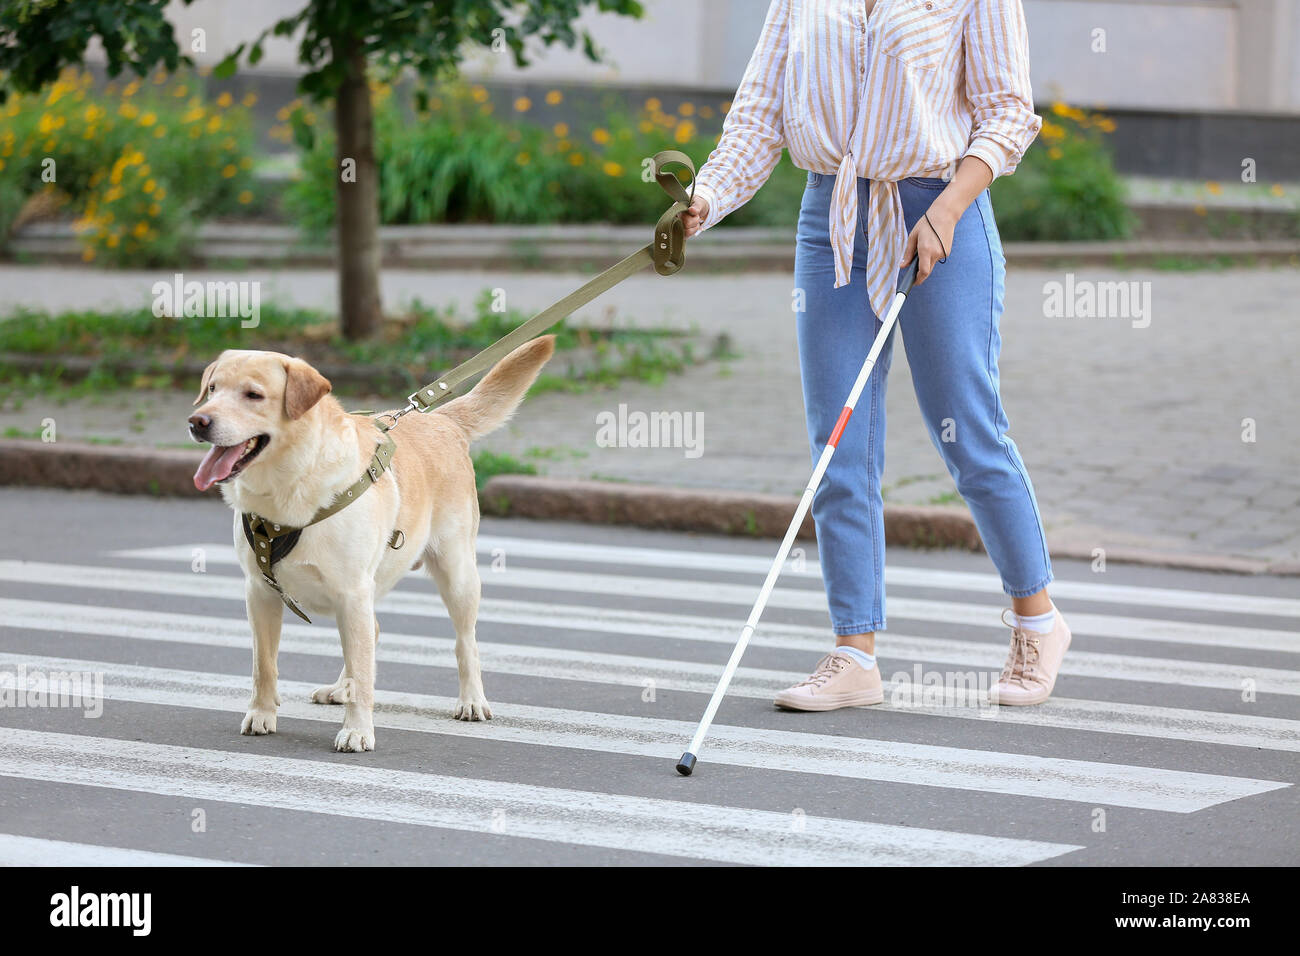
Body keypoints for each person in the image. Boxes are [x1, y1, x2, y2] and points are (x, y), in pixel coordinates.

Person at [681, 0, 1069, 710]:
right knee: (838, 444)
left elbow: (1008, 112)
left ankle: (1036, 622)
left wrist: (947, 210)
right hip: (831, 219)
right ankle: (853, 653)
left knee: (969, 431)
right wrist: (706, 197)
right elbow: (761, 109)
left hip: (940, 210)